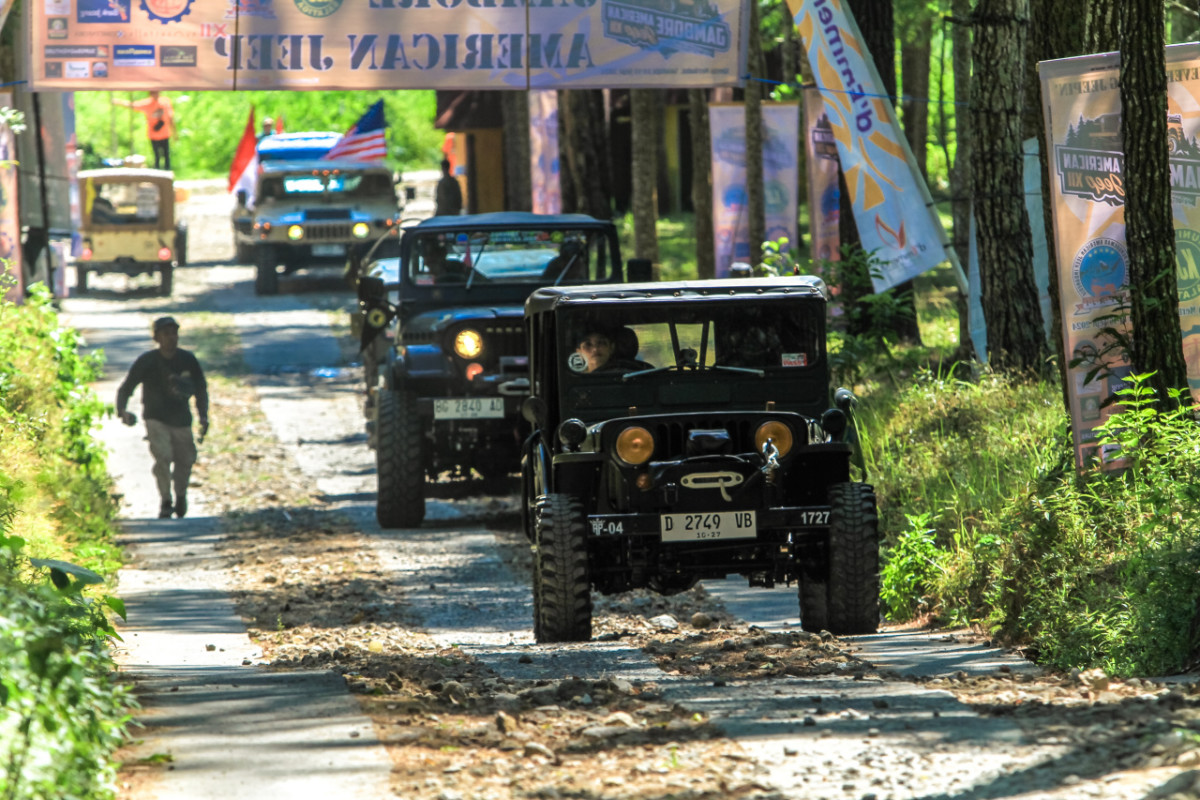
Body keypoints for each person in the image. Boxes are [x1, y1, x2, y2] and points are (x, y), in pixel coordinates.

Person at [116, 316, 209, 519]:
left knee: (185, 460)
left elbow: (201, 388)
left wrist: (203, 416)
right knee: (163, 457)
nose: (171, 338)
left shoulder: (187, 360)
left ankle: (181, 494)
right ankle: (166, 500)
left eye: (174, 333)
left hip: (182, 419)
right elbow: (127, 386)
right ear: (157, 337)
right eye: (166, 334)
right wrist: (121, 410)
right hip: (155, 418)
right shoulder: (147, 361)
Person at [112, 91, 174, 171]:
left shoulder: (165, 102)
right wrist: (118, 102)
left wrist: (174, 132)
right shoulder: (147, 103)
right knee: (157, 156)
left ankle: (167, 174)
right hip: (153, 135)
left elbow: (171, 117)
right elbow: (133, 105)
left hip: (165, 134)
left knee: (166, 155)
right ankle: (157, 174)